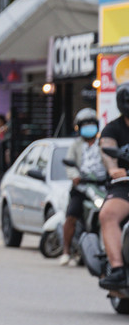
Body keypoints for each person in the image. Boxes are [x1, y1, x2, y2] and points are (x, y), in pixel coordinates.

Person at [62, 108, 104, 266]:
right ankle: (66, 251)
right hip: (81, 188)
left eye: (91, 124)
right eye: (85, 124)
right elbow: (69, 164)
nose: (89, 127)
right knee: (71, 215)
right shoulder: (76, 145)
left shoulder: (103, 143)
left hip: (100, 187)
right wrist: (75, 176)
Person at [99, 85, 129, 290]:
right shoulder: (112, 129)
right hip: (124, 185)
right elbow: (107, 152)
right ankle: (118, 269)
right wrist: (113, 169)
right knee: (108, 214)